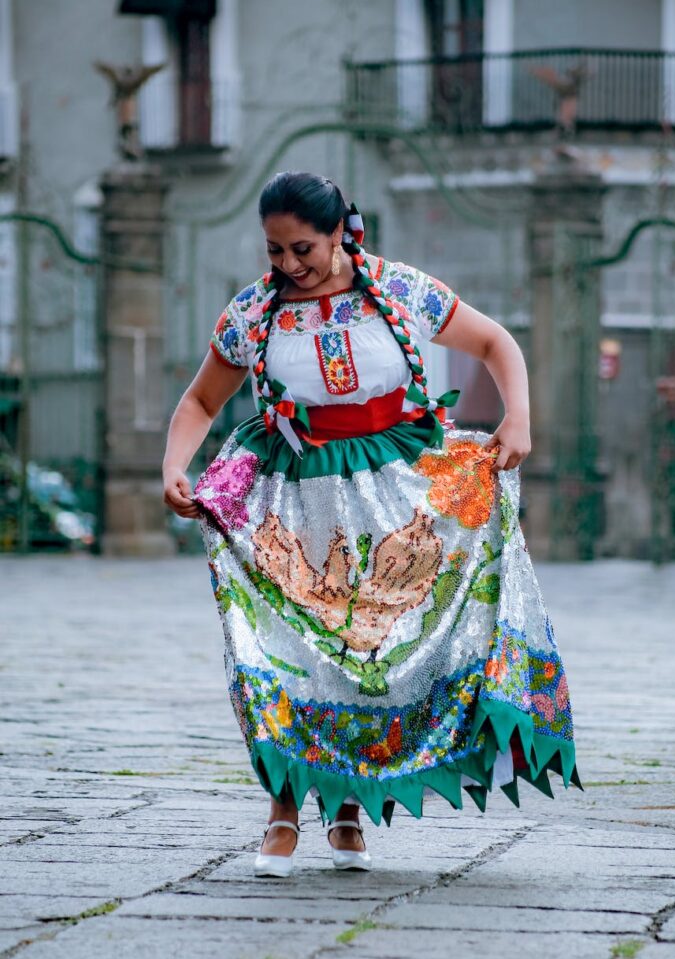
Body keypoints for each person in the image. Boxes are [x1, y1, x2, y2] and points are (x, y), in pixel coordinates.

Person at [162, 171, 580, 879]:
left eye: (303, 249)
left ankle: (349, 805)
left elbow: (496, 344)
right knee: (282, 650)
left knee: (375, 656)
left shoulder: (401, 290)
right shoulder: (253, 314)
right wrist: (175, 463)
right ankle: (284, 809)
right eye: (274, 252)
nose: (289, 265)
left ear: (340, 234)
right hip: (288, 503)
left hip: (396, 493)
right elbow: (202, 401)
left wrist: (518, 418)